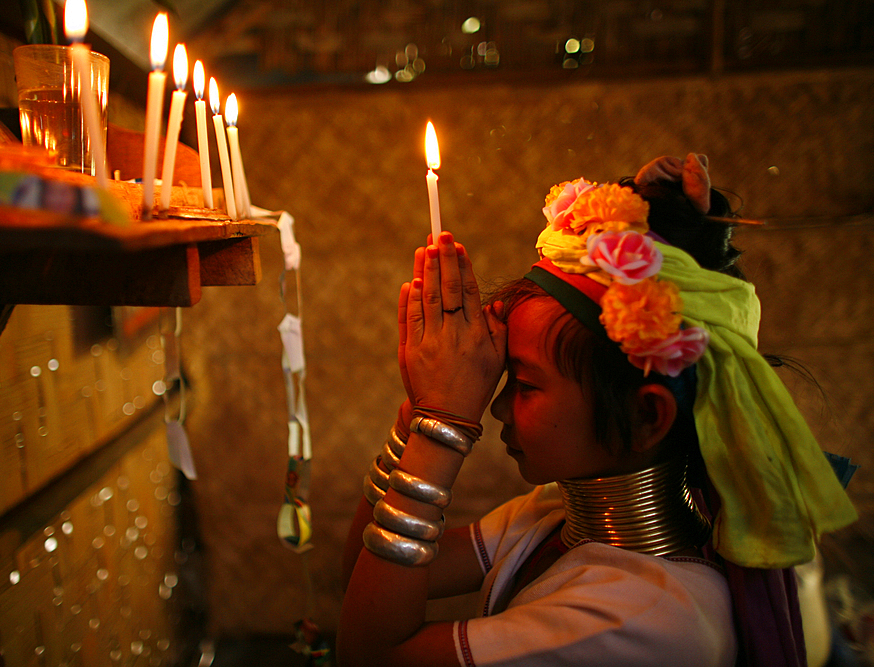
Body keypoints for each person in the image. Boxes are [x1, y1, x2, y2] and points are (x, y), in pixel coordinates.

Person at [337, 154, 857, 667]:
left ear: (647, 418)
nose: (495, 406)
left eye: (524, 383)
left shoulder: (643, 617)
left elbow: (370, 652)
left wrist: (442, 425)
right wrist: (423, 407)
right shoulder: (554, 515)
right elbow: (361, 582)